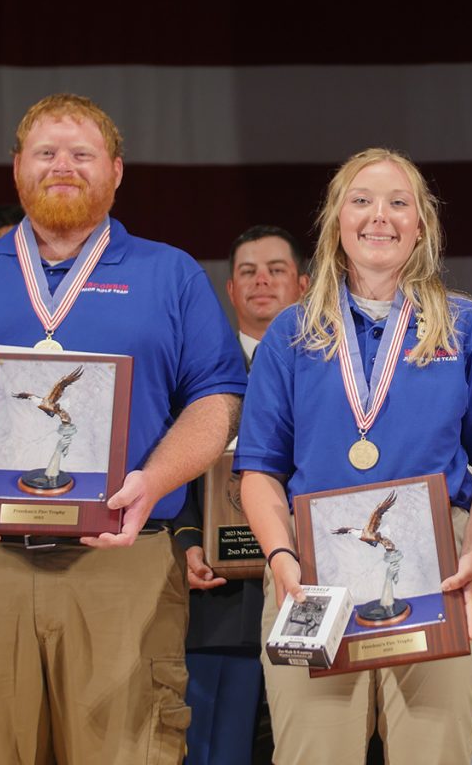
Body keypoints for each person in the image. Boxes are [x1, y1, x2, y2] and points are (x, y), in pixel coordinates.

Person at [0, 93, 247, 764]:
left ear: (117, 171)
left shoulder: (171, 274)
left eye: (81, 153)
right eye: (46, 152)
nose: (62, 166)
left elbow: (218, 397)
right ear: (17, 169)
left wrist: (154, 479)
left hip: (122, 564)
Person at [235, 147, 472, 764]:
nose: (379, 216)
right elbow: (258, 470)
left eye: (399, 202)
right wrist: (281, 558)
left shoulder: (467, 328)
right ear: (337, 219)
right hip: (310, 564)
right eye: (361, 201)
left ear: (422, 223)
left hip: (439, 565)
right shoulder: (289, 334)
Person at [175, 224, 309, 765]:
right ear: (230, 291)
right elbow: (172, 467)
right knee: (215, 750)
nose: (262, 281)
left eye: (276, 270)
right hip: (219, 597)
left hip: (308, 587)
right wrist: (186, 542)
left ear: (302, 284)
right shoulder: (196, 373)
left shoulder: (339, 373)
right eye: (248, 272)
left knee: (312, 745)